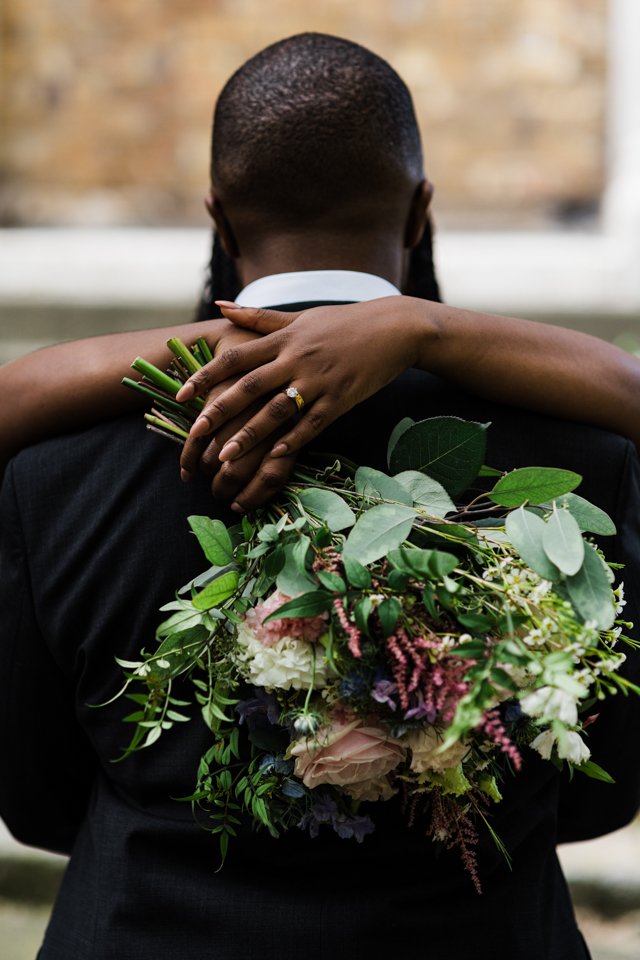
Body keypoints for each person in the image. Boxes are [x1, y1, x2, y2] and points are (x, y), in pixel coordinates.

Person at [1, 32, 639, 960]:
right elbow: (599, 795)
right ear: (422, 209)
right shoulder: (587, 462)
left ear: (219, 217)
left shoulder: (54, 475)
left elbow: (36, 799)